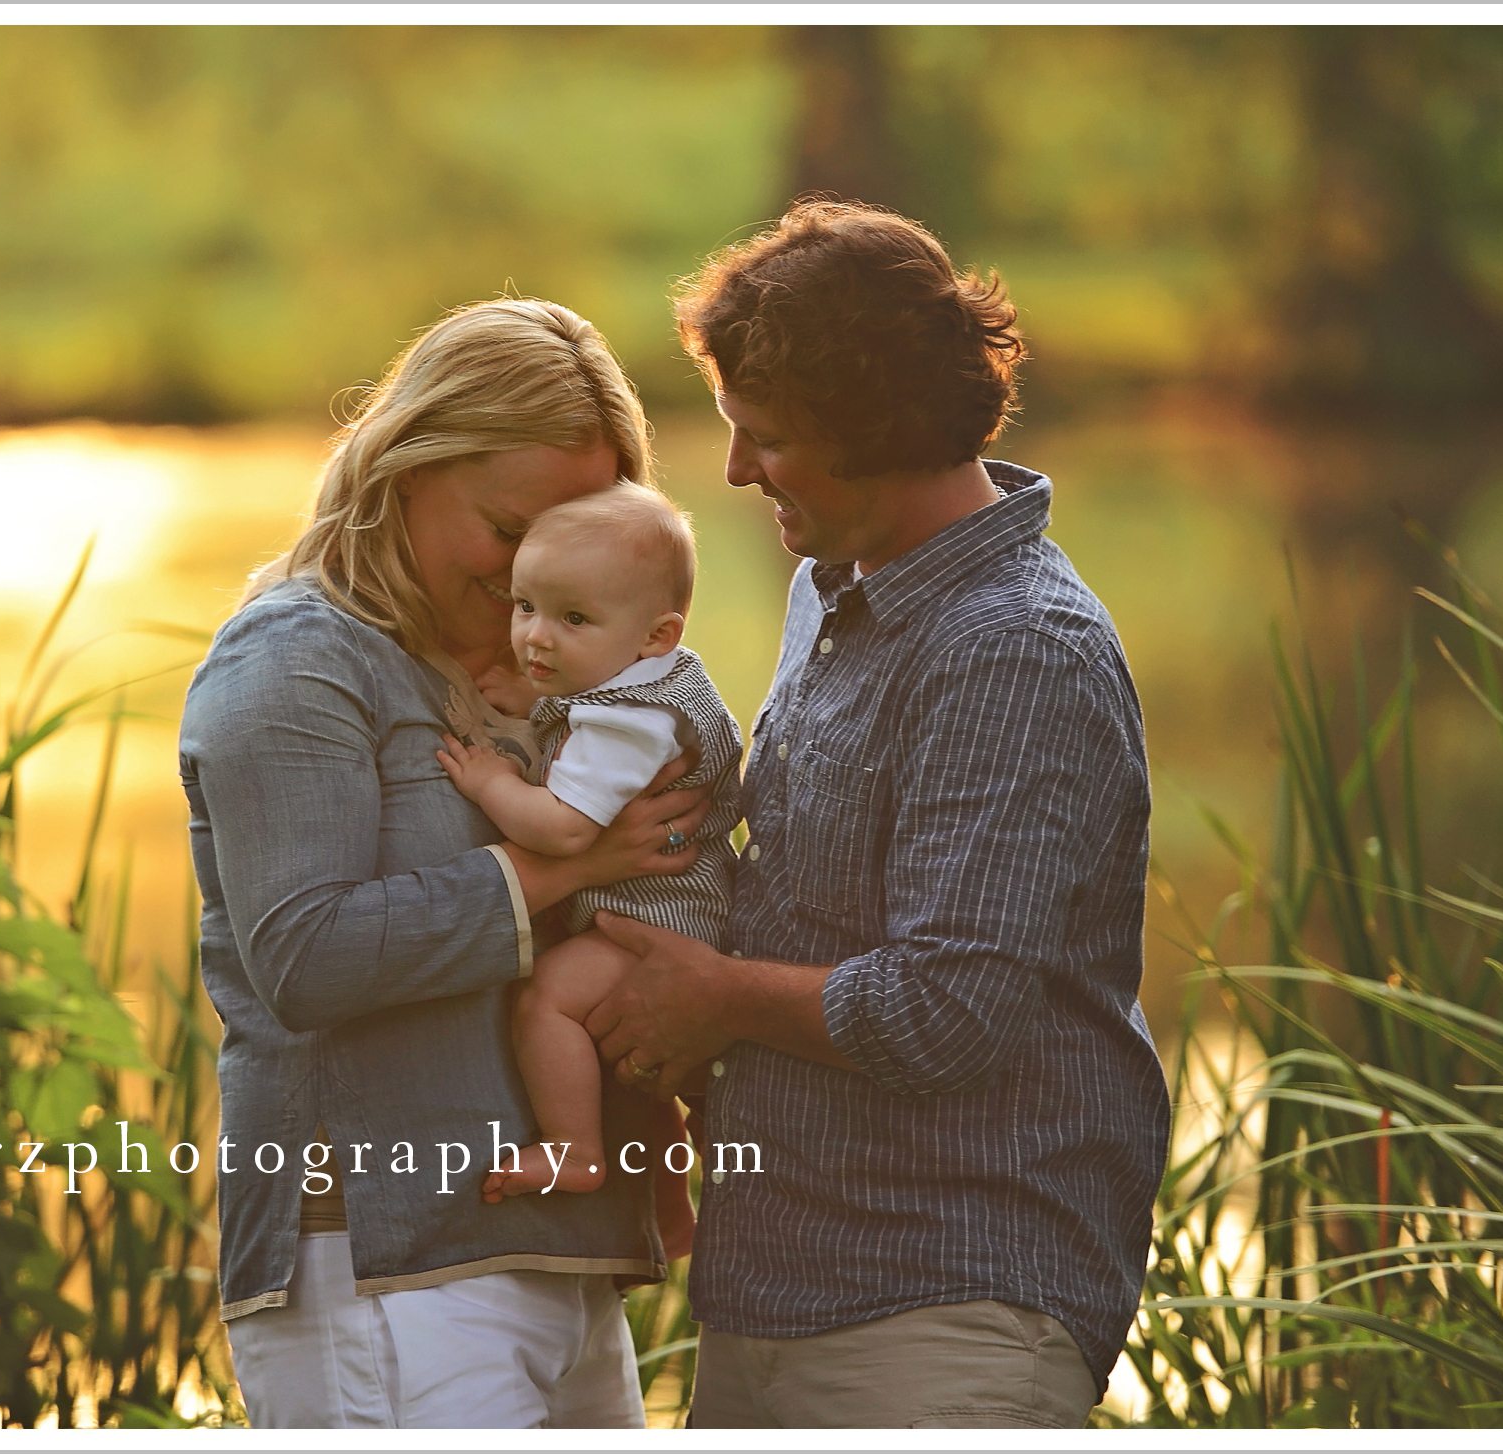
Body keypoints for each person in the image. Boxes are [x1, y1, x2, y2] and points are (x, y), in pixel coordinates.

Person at [581, 198, 1172, 1428]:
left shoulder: (1014, 649)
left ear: (879, 429)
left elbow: (951, 1005)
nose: (738, 470)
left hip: (947, 1305)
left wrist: (718, 994)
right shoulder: (832, 586)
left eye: (770, 437)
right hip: (780, 1283)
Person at [177, 297, 710, 1429]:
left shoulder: (576, 688)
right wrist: (559, 868)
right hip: (381, 1262)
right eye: (510, 527)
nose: (541, 569)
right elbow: (306, 956)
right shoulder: (296, 662)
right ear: (405, 466)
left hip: (561, 1257)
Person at [435, 484, 739, 1248]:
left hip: (652, 924)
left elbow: (566, 829)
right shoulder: (647, 683)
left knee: (549, 1002)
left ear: (655, 635)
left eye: (572, 620)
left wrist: (490, 782)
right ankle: (672, 1208)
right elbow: (578, 719)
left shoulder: (627, 727)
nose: (536, 637)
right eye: (525, 607)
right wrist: (541, 694)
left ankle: (576, 1151)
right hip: (664, 909)